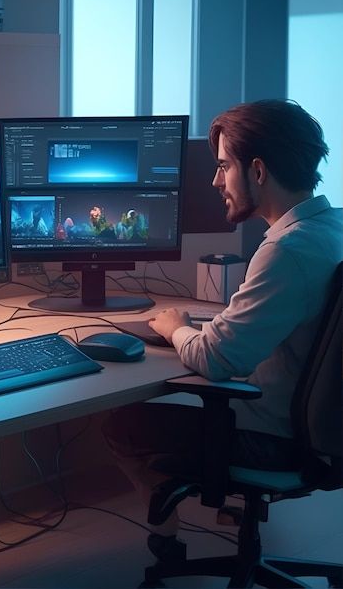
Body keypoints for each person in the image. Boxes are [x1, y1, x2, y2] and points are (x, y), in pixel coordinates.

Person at [102, 99, 343, 562]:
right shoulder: (329, 229)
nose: (215, 181)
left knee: (124, 422)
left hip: (278, 440)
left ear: (256, 171)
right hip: (320, 429)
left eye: (223, 166)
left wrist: (176, 328)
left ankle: (166, 539)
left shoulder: (286, 252)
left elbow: (215, 360)